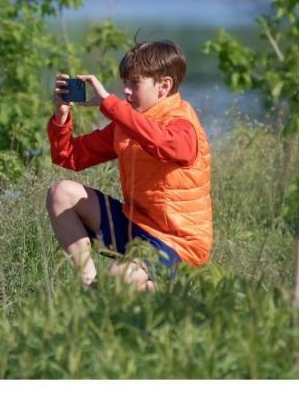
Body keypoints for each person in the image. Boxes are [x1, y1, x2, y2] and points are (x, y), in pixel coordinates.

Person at [46, 40, 212, 291]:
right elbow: (70, 156)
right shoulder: (128, 122)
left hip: (178, 243)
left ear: (164, 86)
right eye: (125, 83)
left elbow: (163, 143)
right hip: (135, 225)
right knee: (60, 193)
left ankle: (164, 291)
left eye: (135, 83)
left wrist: (112, 107)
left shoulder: (182, 124)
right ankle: (91, 289)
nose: (126, 91)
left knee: (117, 278)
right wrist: (62, 116)